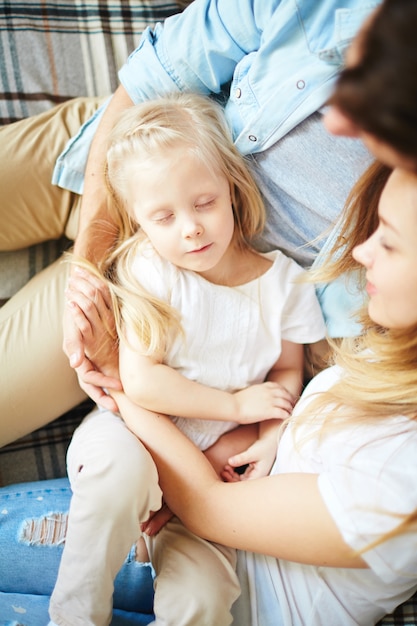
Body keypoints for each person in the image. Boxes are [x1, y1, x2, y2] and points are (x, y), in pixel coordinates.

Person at [0, 0, 380, 446]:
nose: (336, 118)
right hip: (126, 151)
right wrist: (88, 263)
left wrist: (108, 317)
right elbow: (149, 78)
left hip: (174, 299)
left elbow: (308, 364)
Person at [71, 161, 417, 626]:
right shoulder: (394, 356)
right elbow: (280, 444)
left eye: (389, 241)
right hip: (175, 492)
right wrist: (232, 448)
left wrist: (120, 378)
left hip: (229, 591)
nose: (361, 250)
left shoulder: (402, 481)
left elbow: (210, 507)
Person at [48, 92, 325, 626]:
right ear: (140, 223)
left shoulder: (283, 282)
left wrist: (268, 433)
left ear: (231, 187)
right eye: (164, 216)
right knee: (115, 479)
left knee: (202, 597)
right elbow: (143, 384)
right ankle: (74, 616)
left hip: (212, 477)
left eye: (204, 203)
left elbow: (286, 371)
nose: (191, 228)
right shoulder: (152, 271)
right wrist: (237, 405)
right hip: (132, 437)